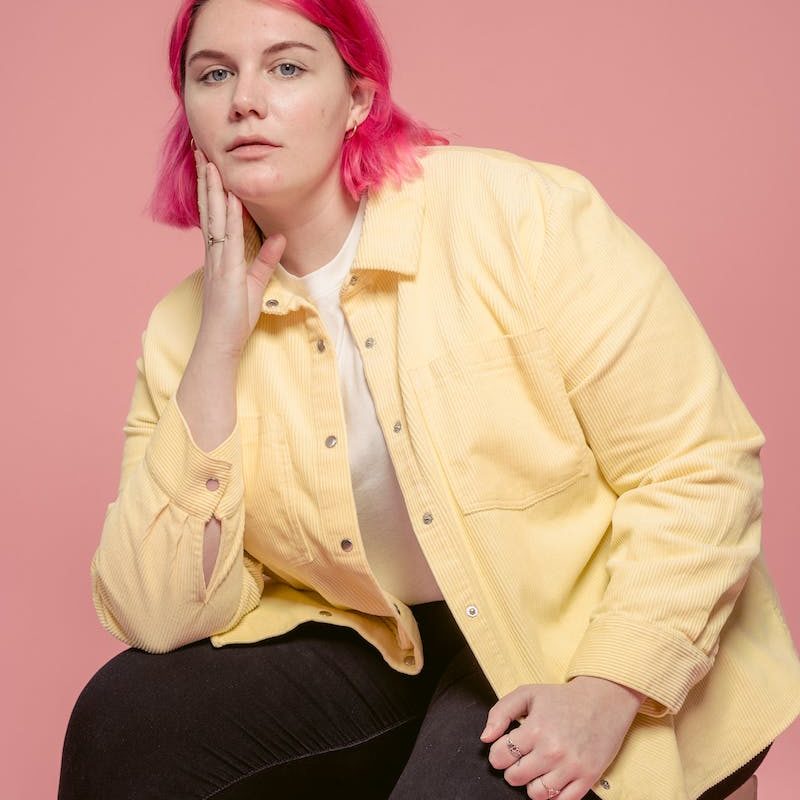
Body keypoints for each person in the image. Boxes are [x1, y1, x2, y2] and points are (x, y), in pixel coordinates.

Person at [58, 0, 800, 798]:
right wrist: (217, 348)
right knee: (124, 719)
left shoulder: (522, 216)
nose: (245, 99)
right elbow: (158, 616)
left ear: (359, 99)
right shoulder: (184, 327)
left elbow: (698, 468)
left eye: (286, 66)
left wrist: (608, 690)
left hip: (576, 629)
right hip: (384, 638)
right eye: (213, 74)